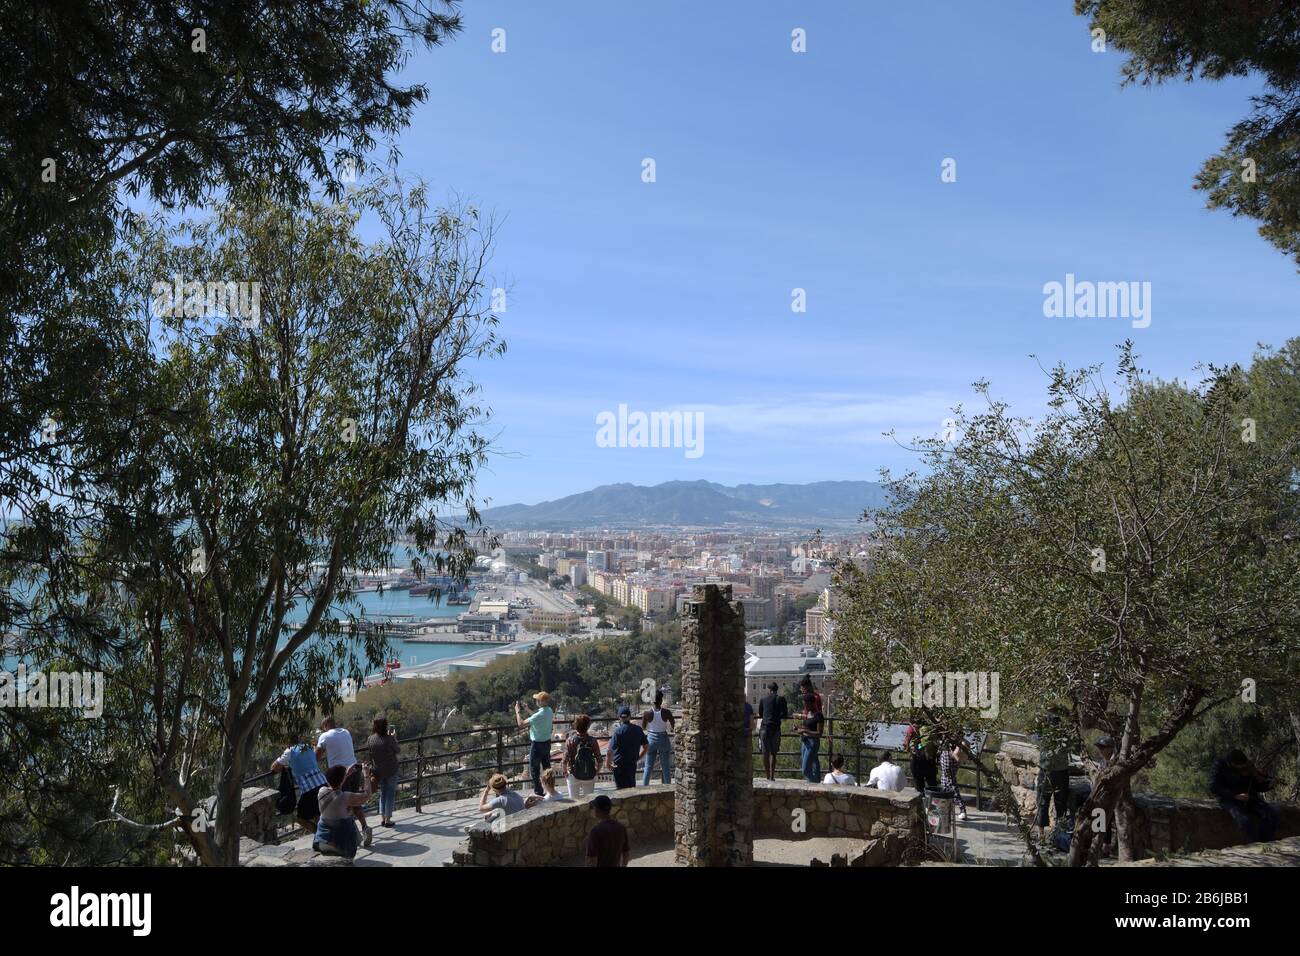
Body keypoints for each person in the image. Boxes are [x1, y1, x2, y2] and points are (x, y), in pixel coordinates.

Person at [316, 716, 371, 847]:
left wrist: (318, 748)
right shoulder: (346, 732)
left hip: (340, 774)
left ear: (325, 725)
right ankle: (365, 828)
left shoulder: (324, 736)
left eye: (322, 727)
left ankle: (351, 837)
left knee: (343, 805)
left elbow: (316, 756)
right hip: (355, 769)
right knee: (354, 801)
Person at [1209, 749, 1279, 844]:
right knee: (1245, 821)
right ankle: (1255, 845)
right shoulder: (1219, 765)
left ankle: (1265, 843)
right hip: (1229, 799)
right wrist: (1235, 795)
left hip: (1250, 798)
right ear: (1232, 763)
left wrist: (1269, 785)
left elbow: (1256, 785)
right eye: (1240, 766)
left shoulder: (1247, 766)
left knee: (1271, 814)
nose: (1243, 768)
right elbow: (1214, 787)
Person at [271, 730, 327, 834]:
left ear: (288, 741)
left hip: (309, 789)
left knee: (300, 818)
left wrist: (284, 762)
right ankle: (325, 837)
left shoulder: (289, 751)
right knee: (318, 814)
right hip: (322, 782)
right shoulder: (308, 747)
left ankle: (321, 836)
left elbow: (274, 768)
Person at [314, 762, 372, 859]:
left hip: (323, 842)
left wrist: (346, 775)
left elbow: (335, 787)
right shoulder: (345, 797)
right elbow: (367, 795)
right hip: (343, 847)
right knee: (349, 820)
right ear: (341, 781)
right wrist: (366, 774)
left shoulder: (321, 791)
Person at [1032, 712, 1072, 845]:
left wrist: (1038, 723)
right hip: (1062, 773)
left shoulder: (1044, 735)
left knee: (1043, 803)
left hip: (1047, 772)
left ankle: (1042, 835)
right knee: (1061, 805)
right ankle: (1058, 836)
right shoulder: (1065, 736)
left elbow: (1032, 737)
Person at [516, 691, 554, 797]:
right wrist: (527, 709)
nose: (536, 701)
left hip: (537, 745)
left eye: (537, 699)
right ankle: (550, 789)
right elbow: (537, 717)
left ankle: (538, 791)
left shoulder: (539, 715)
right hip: (546, 743)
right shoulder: (549, 711)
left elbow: (521, 724)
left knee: (534, 769)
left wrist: (517, 711)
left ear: (541, 701)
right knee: (547, 767)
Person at [365, 716, 401, 828]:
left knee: (383, 793)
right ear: (386, 726)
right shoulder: (389, 739)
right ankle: (388, 819)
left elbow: (371, 755)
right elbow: (397, 750)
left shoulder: (370, 739)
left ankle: (382, 817)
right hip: (391, 769)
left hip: (378, 770)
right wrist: (394, 738)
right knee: (390, 793)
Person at [606, 705, 648, 790]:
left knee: (621, 789)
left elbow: (609, 751)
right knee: (631, 787)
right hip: (632, 763)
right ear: (630, 716)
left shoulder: (618, 731)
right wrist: (638, 758)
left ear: (619, 718)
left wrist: (608, 763)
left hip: (619, 765)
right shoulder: (638, 729)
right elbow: (646, 747)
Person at [564, 713, 603, 799]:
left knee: (573, 802)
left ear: (575, 725)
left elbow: (564, 761)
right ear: (588, 726)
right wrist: (596, 771)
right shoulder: (593, 740)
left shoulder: (570, 740)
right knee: (589, 801)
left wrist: (565, 772)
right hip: (589, 775)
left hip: (573, 774)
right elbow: (600, 760)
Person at [585, 795, 630, 868]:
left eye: (593, 808)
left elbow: (591, 860)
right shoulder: (621, 828)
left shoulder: (596, 831)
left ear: (597, 810)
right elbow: (626, 854)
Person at [640, 692, 674, 786]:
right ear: (661, 700)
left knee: (648, 766)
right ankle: (668, 787)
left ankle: (644, 787)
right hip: (663, 738)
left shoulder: (647, 713)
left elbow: (643, 726)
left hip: (651, 738)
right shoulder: (667, 712)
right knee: (665, 766)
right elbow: (673, 724)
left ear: (652, 701)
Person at [757, 682, 788, 781]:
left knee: (765, 753)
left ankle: (766, 776)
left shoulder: (763, 699)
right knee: (773, 753)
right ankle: (772, 776)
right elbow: (785, 714)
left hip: (764, 728)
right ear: (776, 690)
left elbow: (761, 714)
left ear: (769, 690)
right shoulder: (781, 699)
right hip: (775, 728)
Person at [903, 719, 938, 795]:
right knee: (933, 787)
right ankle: (934, 805)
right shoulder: (933, 728)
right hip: (930, 761)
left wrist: (913, 749)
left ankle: (921, 805)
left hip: (917, 762)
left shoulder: (912, 728)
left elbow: (905, 744)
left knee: (919, 789)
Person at [938, 738, 968, 821]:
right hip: (948, 753)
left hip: (949, 753)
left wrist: (953, 753)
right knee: (946, 781)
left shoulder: (952, 734)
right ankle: (946, 809)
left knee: (949, 781)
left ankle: (961, 809)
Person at [797, 693, 824, 783]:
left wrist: (805, 731)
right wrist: (799, 728)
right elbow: (807, 727)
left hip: (813, 743)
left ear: (812, 703)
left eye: (806, 704)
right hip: (805, 741)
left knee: (805, 769)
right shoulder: (808, 713)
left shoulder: (818, 715)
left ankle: (815, 783)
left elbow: (819, 733)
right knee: (811, 766)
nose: (805, 706)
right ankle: (814, 783)